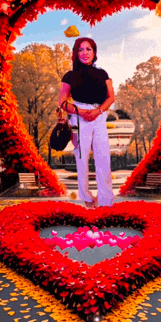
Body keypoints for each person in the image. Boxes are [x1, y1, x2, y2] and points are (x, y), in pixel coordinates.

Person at [58, 37, 115, 208]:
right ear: (76, 53)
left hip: (99, 114)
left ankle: (106, 201)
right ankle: (87, 198)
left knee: (103, 158)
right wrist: (81, 112)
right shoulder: (69, 76)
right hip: (78, 117)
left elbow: (111, 97)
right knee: (81, 158)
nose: (85, 53)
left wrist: (97, 111)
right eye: (81, 49)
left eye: (88, 49)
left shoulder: (103, 74)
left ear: (94, 52)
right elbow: (61, 102)